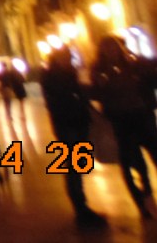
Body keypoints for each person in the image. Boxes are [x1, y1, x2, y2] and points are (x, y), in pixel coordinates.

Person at [90, 34, 157, 217]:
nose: (111, 51)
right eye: (107, 48)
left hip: (142, 116)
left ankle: (147, 195)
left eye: (114, 47)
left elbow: (151, 79)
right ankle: (143, 200)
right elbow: (95, 94)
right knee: (132, 163)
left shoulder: (133, 63)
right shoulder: (99, 71)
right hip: (121, 121)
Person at [41, 47, 108, 228]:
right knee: (74, 168)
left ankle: (82, 207)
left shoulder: (63, 74)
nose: (69, 60)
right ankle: (81, 208)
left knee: (76, 167)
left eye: (70, 57)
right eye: (66, 57)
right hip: (69, 125)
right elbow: (65, 98)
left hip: (75, 123)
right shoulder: (56, 76)